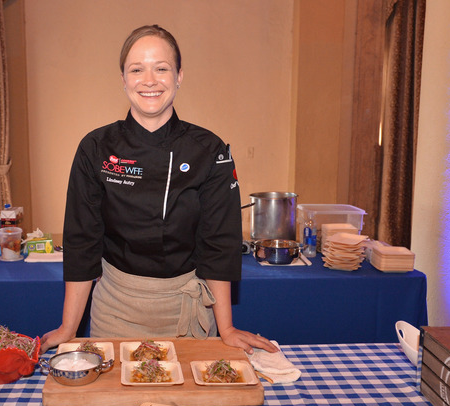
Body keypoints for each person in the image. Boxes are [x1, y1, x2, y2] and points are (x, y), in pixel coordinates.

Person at [40, 24, 277, 355]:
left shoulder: (210, 150)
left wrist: (226, 328)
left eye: (161, 68)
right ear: (123, 78)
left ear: (179, 76)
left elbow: (218, 244)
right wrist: (68, 328)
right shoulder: (95, 147)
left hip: (188, 315)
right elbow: (82, 242)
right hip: (115, 311)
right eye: (136, 69)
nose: (148, 80)